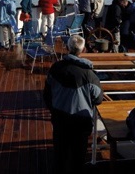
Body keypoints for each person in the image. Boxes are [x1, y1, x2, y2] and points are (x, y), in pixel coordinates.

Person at [43, 35, 103, 174]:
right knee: (78, 156)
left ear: (68, 48)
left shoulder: (56, 68)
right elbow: (98, 98)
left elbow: (47, 94)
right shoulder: (90, 74)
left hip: (60, 119)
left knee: (60, 153)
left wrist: (54, 110)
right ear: (82, 50)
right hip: (81, 122)